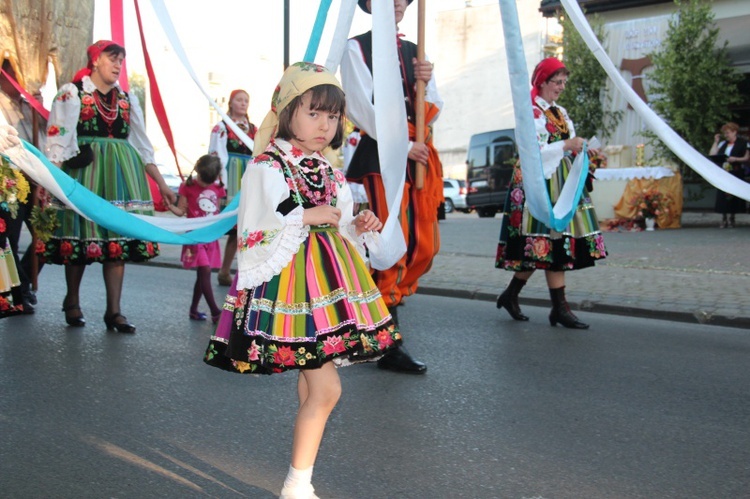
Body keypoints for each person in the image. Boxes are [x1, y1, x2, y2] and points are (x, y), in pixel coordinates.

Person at [203, 62, 401, 499]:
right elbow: (254, 229)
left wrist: (359, 224)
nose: (325, 125)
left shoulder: (327, 169)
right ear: (287, 110)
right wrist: (305, 216)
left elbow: (343, 222)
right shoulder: (266, 167)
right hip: (290, 291)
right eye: (314, 113)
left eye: (332, 117)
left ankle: (299, 479)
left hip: (326, 291)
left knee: (316, 387)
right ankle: (296, 485)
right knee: (327, 390)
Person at [41, 40, 176, 332]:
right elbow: (57, 141)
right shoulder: (72, 93)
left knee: (117, 244)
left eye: (120, 61)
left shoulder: (127, 100)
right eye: (112, 59)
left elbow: (142, 148)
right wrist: (49, 182)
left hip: (121, 176)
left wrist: (163, 186)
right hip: (85, 175)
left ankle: (114, 311)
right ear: (95, 61)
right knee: (79, 237)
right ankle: (72, 301)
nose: (117, 66)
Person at [340, 0, 444, 374]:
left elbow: (434, 105)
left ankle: (364, 314)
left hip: (417, 154)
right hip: (384, 158)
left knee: (424, 245)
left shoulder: (416, 51)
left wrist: (426, 81)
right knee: (390, 246)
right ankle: (387, 342)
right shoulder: (356, 48)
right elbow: (360, 107)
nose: (399, 2)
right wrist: (400, 143)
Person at [495, 57, 607, 330]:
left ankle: (517, 297)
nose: (561, 87)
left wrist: (584, 150)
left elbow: (566, 145)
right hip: (539, 183)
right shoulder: (530, 112)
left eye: (564, 82)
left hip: (561, 183)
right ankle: (557, 308)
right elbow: (531, 152)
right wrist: (566, 144)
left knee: (548, 245)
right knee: (546, 243)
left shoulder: (560, 111)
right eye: (557, 82)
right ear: (542, 82)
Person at [167, 155, 226, 323]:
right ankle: (215, 311)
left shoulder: (218, 188)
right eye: (202, 179)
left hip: (210, 237)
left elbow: (218, 214)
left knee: (202, 275)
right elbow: (181, 211)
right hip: (195, 237)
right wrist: (170, 206)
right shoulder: (188, 186)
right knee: (205, 271)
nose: (205, 184)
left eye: (209, 181)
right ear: (197, 171)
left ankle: (193, 310)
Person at [208, 89, 257, 286]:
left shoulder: (253, 129)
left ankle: (228, 270)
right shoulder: (222, 127)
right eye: (239, 100)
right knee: (235, 226)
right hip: (232, 178)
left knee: (246, 227)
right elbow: (216, 155)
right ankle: (223, 268)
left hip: (249, 178)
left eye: (246, 100)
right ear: (231, 103)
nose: (243, 103)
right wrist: (220, 184)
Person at [708, 122, 749, 228]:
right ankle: (724, 217)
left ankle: (732, 217)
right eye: (725, 133)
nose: (726, 135)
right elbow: (712, 154)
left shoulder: (743, 143)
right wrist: (716, 142)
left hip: (736, 171)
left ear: (734, 132)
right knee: (723, 195)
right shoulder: (723, 144)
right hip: (724, 172)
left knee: (734, 194)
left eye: (728, 133)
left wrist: (735, 159)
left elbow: (746, 158)